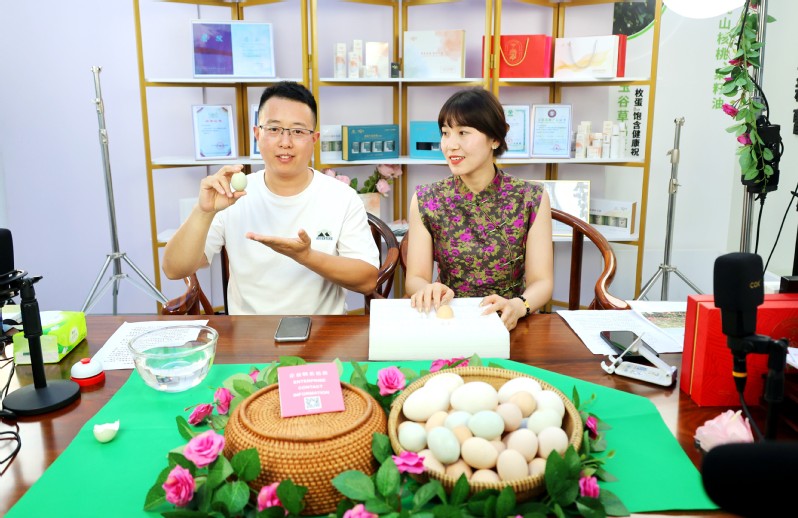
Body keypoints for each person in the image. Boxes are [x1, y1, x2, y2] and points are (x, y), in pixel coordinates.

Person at [162, 81, 379, 315]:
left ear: (314, 140)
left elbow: (367, 280)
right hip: (249, 331)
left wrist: (306, 256)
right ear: (257, 134)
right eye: (274, 129)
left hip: (321, 330)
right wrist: (203, 212)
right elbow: (174, 269)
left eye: (298, 131)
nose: (285, 142)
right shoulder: (231, 195)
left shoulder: (341, 197)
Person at [404, 88, 553, 331]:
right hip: (449, 321)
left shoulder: (531, 197)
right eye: (445, 133)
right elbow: (415, 279)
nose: (450, 145)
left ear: (494, 139)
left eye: (463, 133)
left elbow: (542, 282)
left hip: (508, 323)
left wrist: (519, 306)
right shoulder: (427, 199)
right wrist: (429, 289)